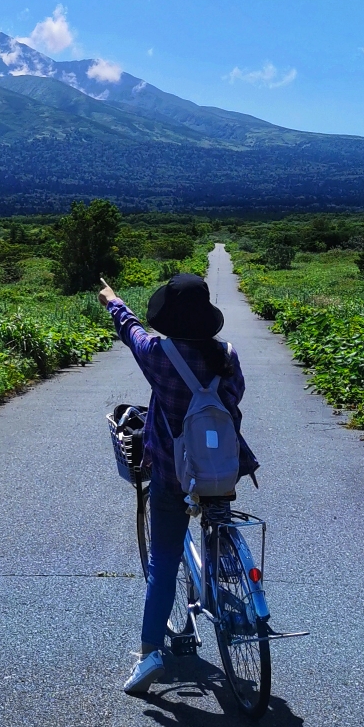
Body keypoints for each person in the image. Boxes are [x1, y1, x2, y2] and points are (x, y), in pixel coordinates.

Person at [98, 269, 259, 697]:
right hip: (223, 471)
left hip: (172, 475)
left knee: (163, 560)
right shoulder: (227, 355)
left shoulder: (159, 354)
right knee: (219, 527)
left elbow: (129, 329)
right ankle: (230, 584)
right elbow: (234, 398)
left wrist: (112, 299)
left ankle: (150, 653)